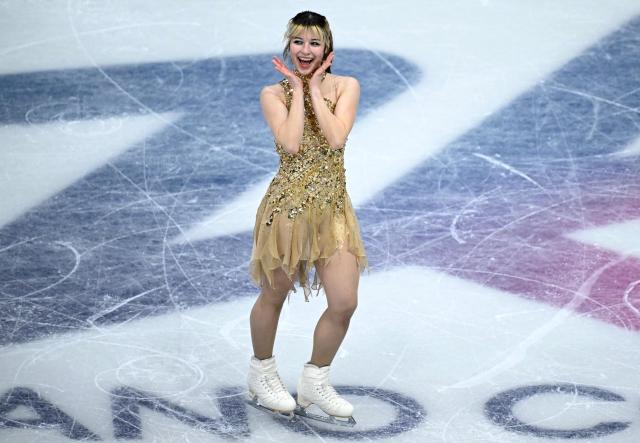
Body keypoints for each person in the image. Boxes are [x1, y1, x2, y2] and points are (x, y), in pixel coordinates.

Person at [247, 10, 367, 424]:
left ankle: (316, 378)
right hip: (287, 212)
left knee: (345, 301)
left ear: (327, 48)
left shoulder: (347, 86)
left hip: (333, 210)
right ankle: (261, 372)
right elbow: (294, 143)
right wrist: (298, 88)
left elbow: (335, 138)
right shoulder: (273, 94)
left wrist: (314, 87)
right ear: (288, 45)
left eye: (314, 43)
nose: (305, 50)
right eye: (298, 41)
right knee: (274, 295)